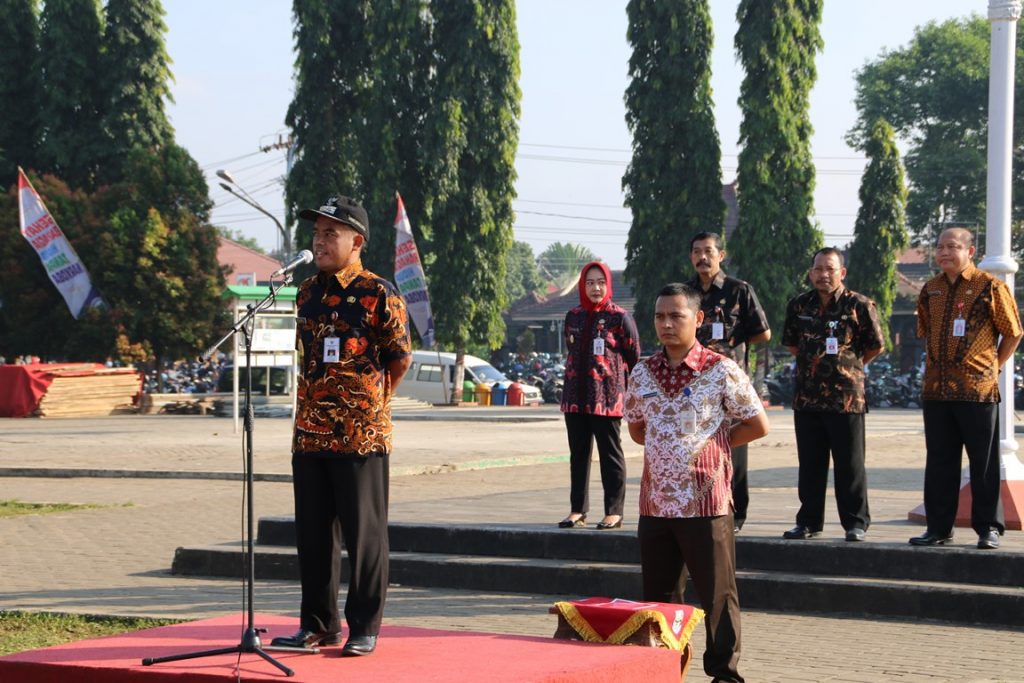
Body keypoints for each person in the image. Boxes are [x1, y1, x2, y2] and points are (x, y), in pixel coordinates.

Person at [271, 195, 411, 656]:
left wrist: (369, 405)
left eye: (331, 233)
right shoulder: (307, 293)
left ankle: (364, 625)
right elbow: (307, 356)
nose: (320, 240)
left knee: (364, 533)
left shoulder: (380, 293)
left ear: (358, 241)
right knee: (312, 535)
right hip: (310, 431)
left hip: (361, 435)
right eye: (317, 233)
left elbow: (399, 358)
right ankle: (318, 624)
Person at [624, 283, 769, 683]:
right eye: (660, 316)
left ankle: (724, 673)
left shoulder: (720, 369)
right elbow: (638, 428)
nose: (667, 324)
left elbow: (758, 424)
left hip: (705, 503)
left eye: (676, 316)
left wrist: (714, 445)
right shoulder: (642, 371)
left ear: (698, 319)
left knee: (718, 596)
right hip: (655, 503)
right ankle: (664, 669)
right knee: (659, 599)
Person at [910, 227, 1022, 550]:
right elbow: (924, 331)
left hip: (977, 391)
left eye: (953, 247)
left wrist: (994, 366)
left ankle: (988, 528)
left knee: (983, 463)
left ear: (970, 252)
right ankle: (939, 528)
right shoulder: (930, 290)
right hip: (936, 391)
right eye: (940, 247)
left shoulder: (990, 287)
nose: (944, 253)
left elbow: (1013, 332)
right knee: (940, 461)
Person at [780, 247, 884, 542]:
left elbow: (875, 345)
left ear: (842, 273)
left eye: (829, 269)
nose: (823, 275)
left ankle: (856, 522)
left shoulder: (859, 305)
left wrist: (849, 367)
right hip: (808, 397)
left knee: (849, 464)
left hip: (846, 398)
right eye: (817, 269)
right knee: (810, 464)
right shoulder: (799, 305)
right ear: (811, 272)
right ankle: (809, 522)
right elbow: (792, 344)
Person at [686, 231, 770, 532]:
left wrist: (733, 347)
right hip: (693, 385)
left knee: (735, 449)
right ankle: (697, 507)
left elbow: (764, 332)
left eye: (708, 251)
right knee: (695, 448)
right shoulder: (686, 293)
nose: (702, 257)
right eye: (696, 251)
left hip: (729, 385)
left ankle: (735, 515)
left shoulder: (738, 290)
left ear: (720, 255)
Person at [559, 261, 640, 530]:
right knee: (578, 455)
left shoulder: (620, 317)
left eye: (601, 282)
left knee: (610, 454)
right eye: (590, 283)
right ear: (583, 285)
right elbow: (570, 349)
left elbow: (633, 355)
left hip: (606, 398)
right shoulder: (573, 316)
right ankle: (577, 510)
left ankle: (614, 511)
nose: (596, 288)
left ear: (608, 285)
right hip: (574, 397)